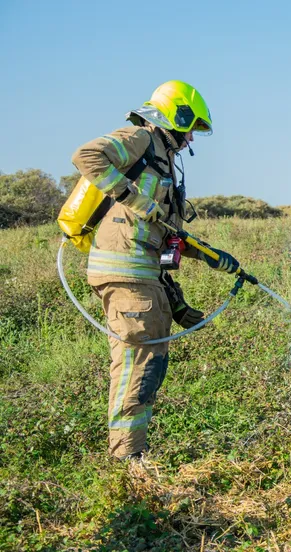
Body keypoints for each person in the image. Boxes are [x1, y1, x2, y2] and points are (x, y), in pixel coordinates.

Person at [71, 80, 239, 460]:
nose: (191, 139)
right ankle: (127, 461)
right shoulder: (141, 138)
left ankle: (134, 453)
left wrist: (210, 257)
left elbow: (167, 231)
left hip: (145, 275)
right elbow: (87, 155)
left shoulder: (164, 159)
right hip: (127, 272)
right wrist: (134, 198)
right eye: (190, 129)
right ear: (175, 116)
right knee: (139, 367)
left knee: (151, 364)